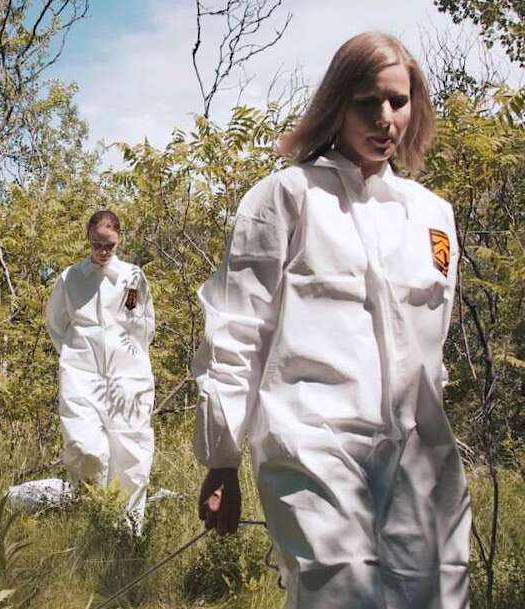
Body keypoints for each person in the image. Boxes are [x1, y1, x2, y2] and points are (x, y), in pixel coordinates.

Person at [191, 32, 470, 608]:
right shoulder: (283, 199)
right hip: (311, 442)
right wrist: (222, 457)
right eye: (368, 102)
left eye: (398, 101)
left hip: (419, 454)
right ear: (337, 104)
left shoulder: (432, 217)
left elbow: (432, 349)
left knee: (433, 596)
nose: (385, 118)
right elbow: (237, 332)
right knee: (341, 593)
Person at [45, 210, 156, 529]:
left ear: (119, 239)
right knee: (85, 447)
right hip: (82, 374)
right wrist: (76, 358)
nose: (102, 252)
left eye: (108, 245)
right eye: (97, 245)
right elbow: (56, 324)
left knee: (130, 452)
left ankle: (127, 528)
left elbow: (144, 327)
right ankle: (92, 515)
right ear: (88, 239)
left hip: (127, 378)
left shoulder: (133, 277)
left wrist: (131, 367)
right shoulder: (70, 278)